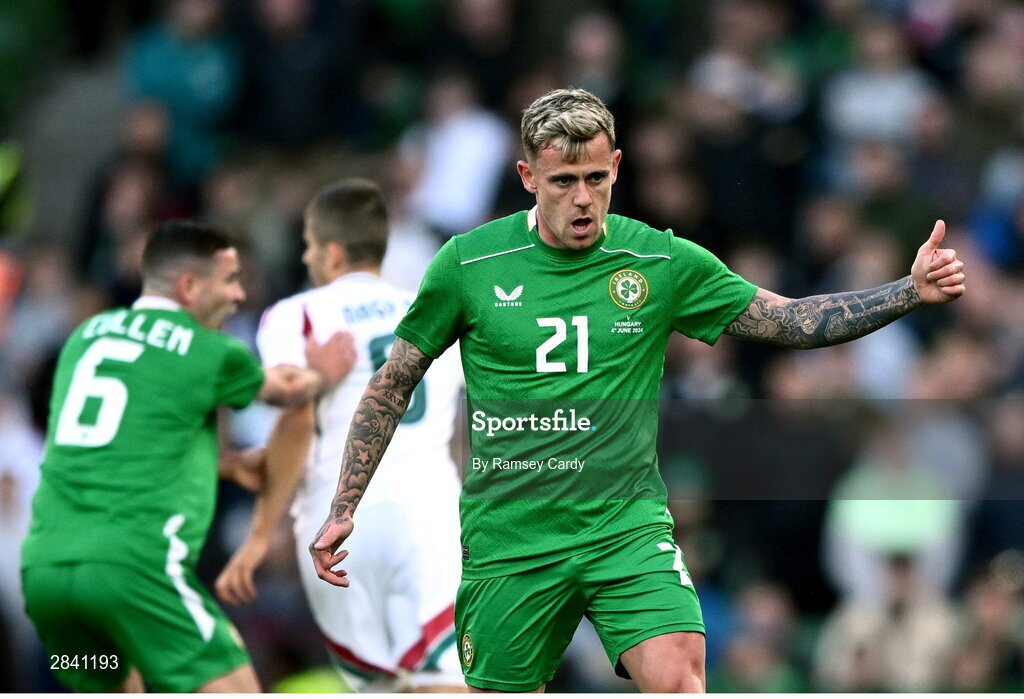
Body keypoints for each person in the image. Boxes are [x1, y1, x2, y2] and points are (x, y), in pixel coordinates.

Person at [309, 88, 967, 693]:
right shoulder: (468, 264)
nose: (583, 198)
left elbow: (790, 321)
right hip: (511, 539)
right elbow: (392, 383)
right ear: (528, 177)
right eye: (563, 182)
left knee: (680, 677)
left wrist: (908, 291)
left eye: (596, 178)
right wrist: (344, 505)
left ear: (617, 167)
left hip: (624, 531)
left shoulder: (660, 261)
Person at [20, 220, 352, 693]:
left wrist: (223, 466)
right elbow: (288, 389)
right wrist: (323, 371)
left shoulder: (84, 337)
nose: (239, 295)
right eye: (230, 280)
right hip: (132, 570)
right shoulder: (205, 349)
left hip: (48, 578)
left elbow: (100, 448)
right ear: (190, 286)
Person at [215, 179, 465, 691]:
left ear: (330, 252)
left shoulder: (296, 314)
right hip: (428, 514)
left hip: (334, 527)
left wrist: (261, 534)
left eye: (308, 246)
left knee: (379, 687)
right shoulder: (434, 310)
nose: (305, 258)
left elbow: (296, 416)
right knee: (444, 679)